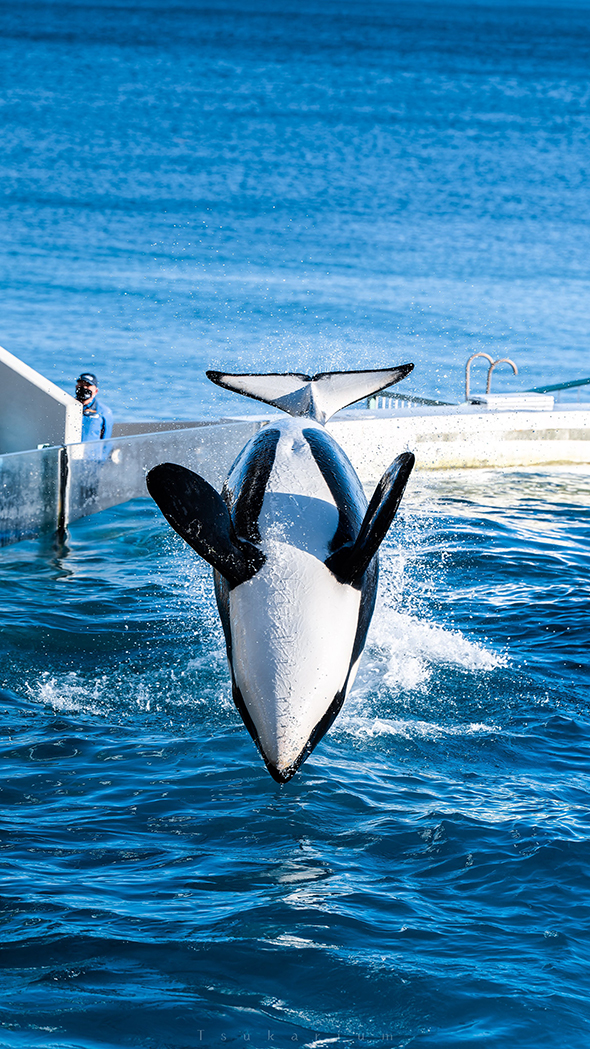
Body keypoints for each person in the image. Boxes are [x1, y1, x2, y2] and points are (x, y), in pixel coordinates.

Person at [75, 372, 114, 442]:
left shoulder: (104, 412)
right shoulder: (67, 407)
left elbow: (106, 441)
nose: (84, 388)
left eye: (88, 385)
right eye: (81, 384)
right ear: (76, 386)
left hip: (91, 452)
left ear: (96, 391)